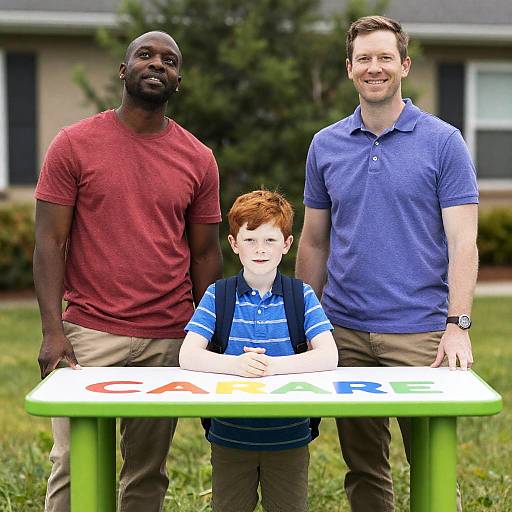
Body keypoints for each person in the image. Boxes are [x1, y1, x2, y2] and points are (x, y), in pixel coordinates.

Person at [33, 31, 223, 512]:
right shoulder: (74, 144)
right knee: (74, 464)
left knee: (145, 473)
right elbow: (49, 241)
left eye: (169, 60)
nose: (157, 64)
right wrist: (54, 332)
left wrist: (209, 335)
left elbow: (204, 255)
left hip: (167, 338)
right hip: (90, 335)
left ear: (178, 80)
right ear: (124, 70)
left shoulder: (198, 158)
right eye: (145, 55)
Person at [296, 15, 478, 512]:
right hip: (345, 331)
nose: (374, 67)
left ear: (404, 65)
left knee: (432, 465)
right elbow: (313, 242)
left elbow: (464, 242)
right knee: (364, 468)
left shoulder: (443, 142)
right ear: (350, 68)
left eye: (384, 57)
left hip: (419, 334)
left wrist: (457, 325)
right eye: (364, 59)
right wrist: (302, 321)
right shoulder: (325, 144)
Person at [179, 189, 338, 512]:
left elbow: (328, 355)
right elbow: (188, 355)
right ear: (235, 244)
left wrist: (274, 367)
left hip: (289, 436)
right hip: (229, 436)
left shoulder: (301, 296)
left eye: (270, 240)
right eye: (250, 240)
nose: (260, 250)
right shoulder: (218, 296)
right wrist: (236, 365)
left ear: (287, 244)